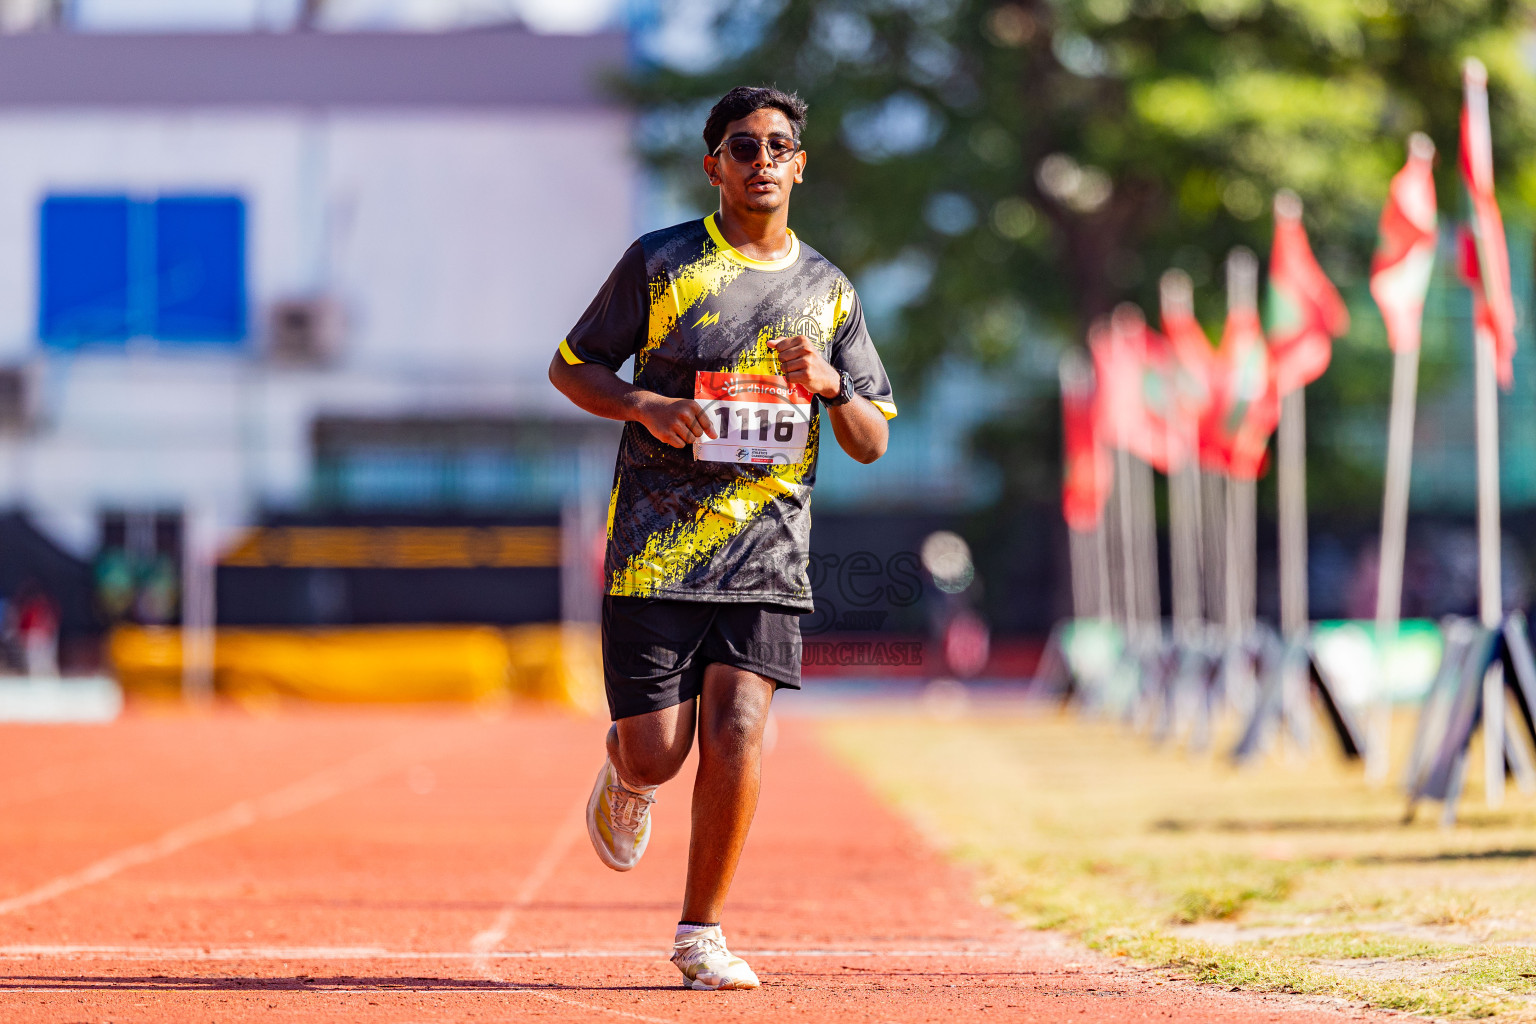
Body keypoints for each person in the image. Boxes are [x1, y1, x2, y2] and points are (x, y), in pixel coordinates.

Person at [548, 85, 896, 991]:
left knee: (741, 724)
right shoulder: (661, 263)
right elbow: (571, 366)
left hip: (768, 548)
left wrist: (830, 385)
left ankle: (701, 931)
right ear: (715, 166)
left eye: (779, 146)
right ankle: (626, 775)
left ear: (800, 165)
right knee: (659, 750)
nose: (763, 161)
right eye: (744, 147)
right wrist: (645, 404)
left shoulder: (830, 291)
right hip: (657, 547)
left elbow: (871, 440)